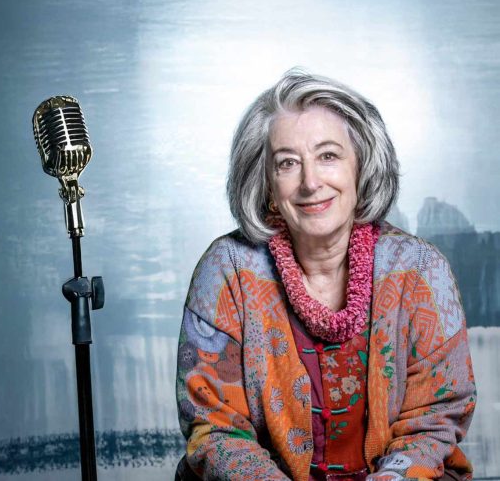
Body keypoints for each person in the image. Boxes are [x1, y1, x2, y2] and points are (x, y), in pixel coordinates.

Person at [175, 69, 476, 481]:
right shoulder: (227, 270)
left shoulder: (421, 271)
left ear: (361, 166)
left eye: (328, 156)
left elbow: (437, 416)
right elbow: (215, 429)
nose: (310, 182)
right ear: (266, 183)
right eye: (287, 163)